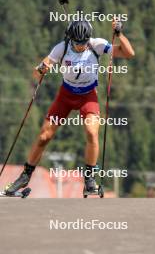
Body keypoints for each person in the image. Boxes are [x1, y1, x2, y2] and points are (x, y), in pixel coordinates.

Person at [5, 18, 135, 195]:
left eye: (83, 42)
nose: (80, 46)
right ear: (70, 38)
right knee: (44, 136)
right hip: (65, 96)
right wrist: (42, 69)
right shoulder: (62, 48)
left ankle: (89, 179)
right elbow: (37, 73)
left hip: (88, 96)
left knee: (91, 132)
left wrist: (119, 35)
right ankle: (25, 176)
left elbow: (129, 53)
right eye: (76, 42)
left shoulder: (97, 44)